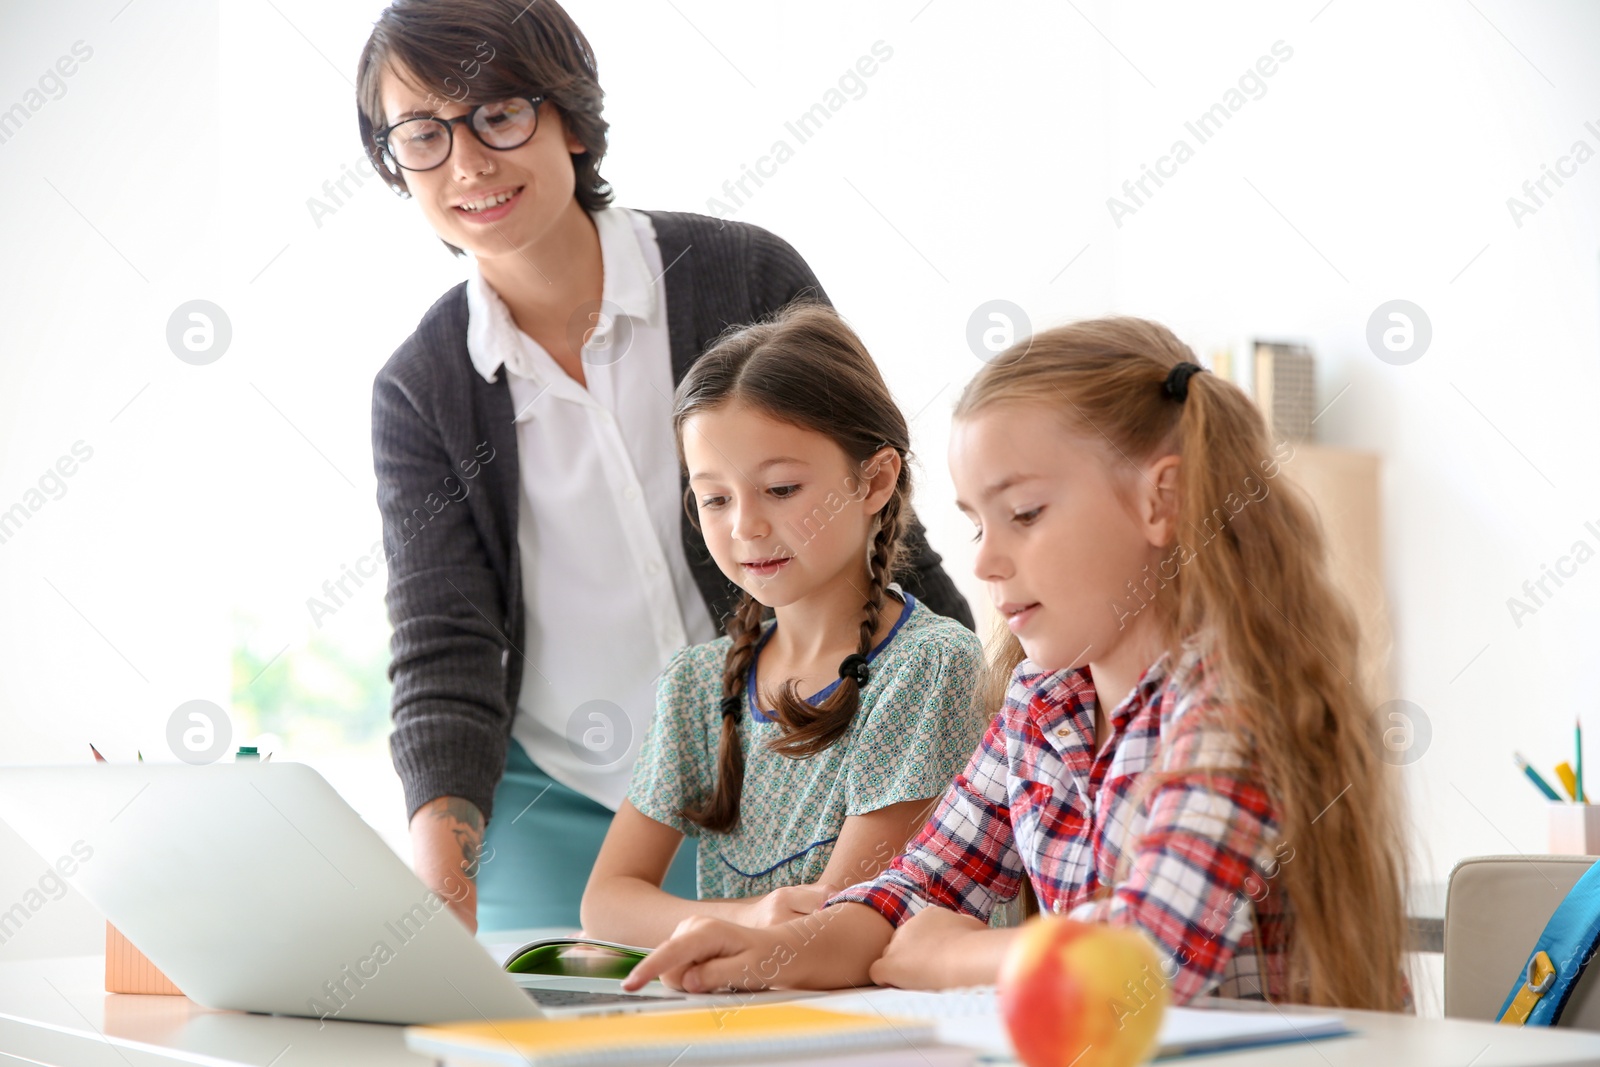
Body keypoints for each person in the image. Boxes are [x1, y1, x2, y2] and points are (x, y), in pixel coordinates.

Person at [356, 0, 973, 933]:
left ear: (567, 114)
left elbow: (875, 510)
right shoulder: (423, 385)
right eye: (422, 133)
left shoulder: (742, 277)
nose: (468, 161)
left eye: (498, 113)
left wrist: (992, 724)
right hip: (552, 795)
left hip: (799, 756)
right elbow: (445, 646)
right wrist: (439, 893)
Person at [624, 317, 1411, 1009]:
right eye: (976, 523)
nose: (988, 561)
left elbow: (1148, 958)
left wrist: (958, 956)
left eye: (1025, 513)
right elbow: (917, 888)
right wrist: (771, 953)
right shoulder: (1041, 702)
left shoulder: (1233, 699)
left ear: (1160, 501)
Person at [581, 305, 987, 946]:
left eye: (781, 489)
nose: (745, 526)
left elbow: (841, 920)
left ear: (875, 479)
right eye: (714, 497)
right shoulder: (697, 683)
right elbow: (606, 902)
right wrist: (745, 917)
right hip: (739, 1023)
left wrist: (721, 928)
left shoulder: (928, 665)